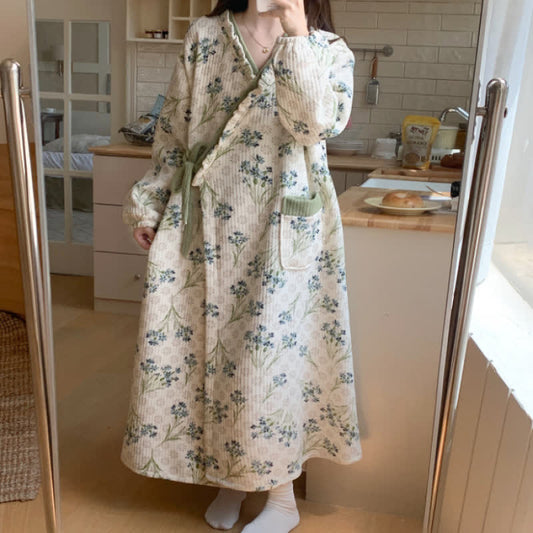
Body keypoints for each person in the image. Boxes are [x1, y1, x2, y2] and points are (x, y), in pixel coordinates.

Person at [120, 1, 362, 531]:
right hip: (203, 219)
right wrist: (151, 202)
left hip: (282, 227)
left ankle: (281, 498)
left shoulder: (327, 50)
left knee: (266, 363)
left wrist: (296, 37)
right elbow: (174, 131)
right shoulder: (205, 36)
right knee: (211, 355)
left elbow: (315, 126)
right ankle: (231, 478)